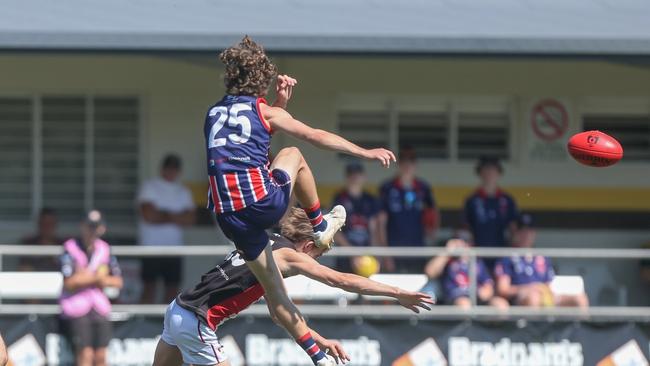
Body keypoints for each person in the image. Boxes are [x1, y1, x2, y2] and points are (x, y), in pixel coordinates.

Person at [204, 36, 395, 366]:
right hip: (261, 204)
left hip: (227, 218)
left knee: (274, 291)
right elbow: (316, 136)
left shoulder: (213, 114)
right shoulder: (263, 111)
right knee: (294, 153)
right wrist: (364, 152)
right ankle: (320, 225)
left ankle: (316, 356)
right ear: (260, 80)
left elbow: (248, 143)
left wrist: (278, 107)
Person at [152, 208, 433, 366]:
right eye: (319, 254)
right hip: (199, 322)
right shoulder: (289, 256)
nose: (318, 259)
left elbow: (280, 313)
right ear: (309, 246)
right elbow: (341, 280)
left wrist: (318, 340)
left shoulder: (266, 242)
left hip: (178, 310)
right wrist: (398, 293)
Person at [59, 210, 123, 366]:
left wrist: (85, 277)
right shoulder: (70, 248)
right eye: (89, 226)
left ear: (102, 228)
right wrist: (97, 278)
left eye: (96, 226)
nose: (92, 230)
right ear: (82, 226)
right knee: (85, 355)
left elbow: (117, 281)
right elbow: (69, 283)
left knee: (101, 357)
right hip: (76, 308)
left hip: (99, 308)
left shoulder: (105, 249)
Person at [495, 213, 589, 308]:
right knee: (534, 297)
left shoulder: (542, 257)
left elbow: (549, 284)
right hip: (521, 299)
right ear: (515, 232)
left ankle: (583, 323)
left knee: (580, 298)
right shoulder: (506, 257)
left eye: (529, 231)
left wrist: (544, 291)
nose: (526, 234)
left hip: (545, 296)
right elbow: (503, 289)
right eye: (522, 230)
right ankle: (535, 323)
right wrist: (528, 288)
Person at [138, 154, 196, 304]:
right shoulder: (150, 186)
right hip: (151, 247)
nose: (171, 171)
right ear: (162, 169)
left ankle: (167, 324)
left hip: (175, 248)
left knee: (172, 288)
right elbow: (149, 216)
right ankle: (144, 323)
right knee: (149, 287)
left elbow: (190, 219)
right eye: (169, 168)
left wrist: (163, 213)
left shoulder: (183, 191)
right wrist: (176, 216)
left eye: (175, 168)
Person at [378, 147, 439, 273]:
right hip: (393, 249)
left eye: (411, 161)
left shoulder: (423, 188)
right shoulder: (387, 187)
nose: (407, 165)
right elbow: (381, 222)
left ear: (415, 164)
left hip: (418, 248)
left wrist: (432, 233)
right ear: (398, 164)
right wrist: (385, 253)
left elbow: (434, 213)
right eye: (404, 161)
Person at [424, 235, 508, 309]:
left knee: (500, 305)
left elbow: (488, 285)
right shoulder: (447, 260)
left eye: (465, 242)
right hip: (455, 298)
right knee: (464, 304)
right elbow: (430, 272)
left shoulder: (477, 261)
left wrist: (485, 292)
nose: (462, 245)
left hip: (478, 297)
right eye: (459, 242)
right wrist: (447, 251)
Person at [331, 162, 381, 273]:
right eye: (351, 174)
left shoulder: (370, 199)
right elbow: (335, 231)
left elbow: (374, 230)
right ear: (346, 177)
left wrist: (377, 256)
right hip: (345, 257)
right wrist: (352, 254)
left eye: (357, 174)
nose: (354, 177)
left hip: (367, 258)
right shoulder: (339, 199)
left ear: (364, 177)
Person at [463, 156, 518, 249]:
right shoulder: (471, 200)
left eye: (493, 170)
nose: (490, 173)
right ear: (480, 173)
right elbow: (466, 227)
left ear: (499, 173)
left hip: (502, 252)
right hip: (478, 252)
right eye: (486, 170)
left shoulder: (507, 200)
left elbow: (513, 228)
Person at [19, 207, 64, 272]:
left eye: (50, 223)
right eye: (44, 223)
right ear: (39, 224)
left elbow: (67, 270)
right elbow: (24, 270)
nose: (47, 227)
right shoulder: (29, 244)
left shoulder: (62, 245)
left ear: (55, 225)